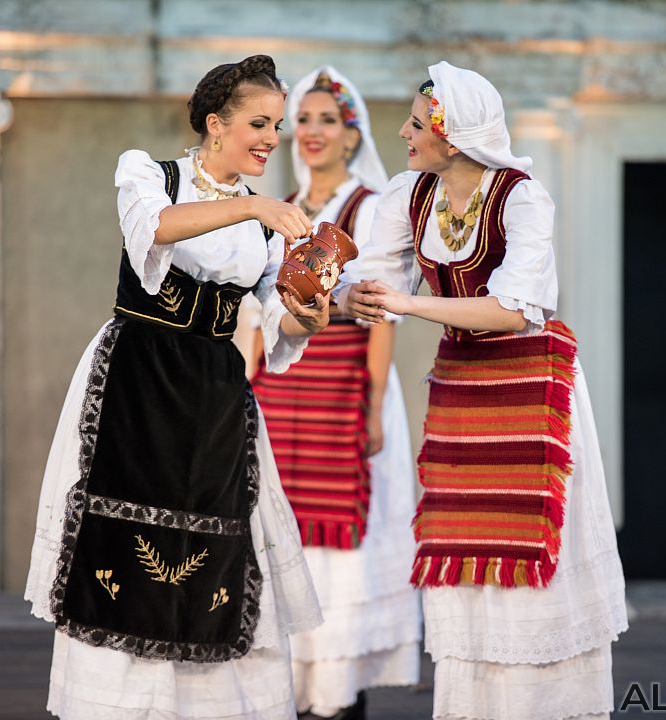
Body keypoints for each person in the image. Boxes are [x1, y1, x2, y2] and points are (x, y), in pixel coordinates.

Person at [24, 55, 332, 720]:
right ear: (215, 124)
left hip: (214, 391)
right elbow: (152, 231)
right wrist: (255, 205)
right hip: (134, 379)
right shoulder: (149, 173)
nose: (270, 139)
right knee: (119, 533)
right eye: (259, 123)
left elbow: (277, 316)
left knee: (217, 539)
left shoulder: (265, 219)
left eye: (276, 126)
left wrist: (309, 313)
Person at [334, 61, 628, 720]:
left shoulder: (520, 195)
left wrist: (405, 309)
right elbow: (369, 280)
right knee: (466, 548)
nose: (404, 132)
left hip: (530, 388)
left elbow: (513, 309)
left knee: (527, 554)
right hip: (465, 388)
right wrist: (336, 291)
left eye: (416, 123)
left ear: (454, 134)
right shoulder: (410, 195)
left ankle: (543, 706)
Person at [249, 66, 422, 719]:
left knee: (339, 550)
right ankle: (290, 687)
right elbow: (255, 309)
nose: (313, 131)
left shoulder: (372, 206)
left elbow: (378, 310)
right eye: (305, 119)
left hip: (346, 393)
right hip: (281, 391)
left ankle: (337, 692)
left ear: (352, 135)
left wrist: (375, 406)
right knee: (280, 532)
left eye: (328, 119)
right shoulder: (283, 207)